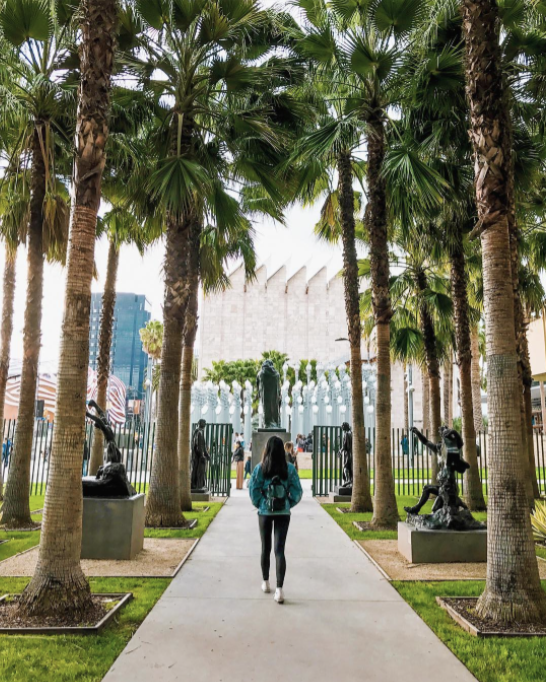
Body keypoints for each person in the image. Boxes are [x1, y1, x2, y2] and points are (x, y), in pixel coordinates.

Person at [249, 436, 303, 604]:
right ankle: (279, 590)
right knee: (280, 550)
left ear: (267, 449)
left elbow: (253, 490)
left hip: (265, 513)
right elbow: (297, 492)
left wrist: (261, 504)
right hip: (283, 513)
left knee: (265, 548)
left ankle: (265, 582)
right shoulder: (289, 469)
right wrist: (288, 504)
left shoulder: (260, 468)